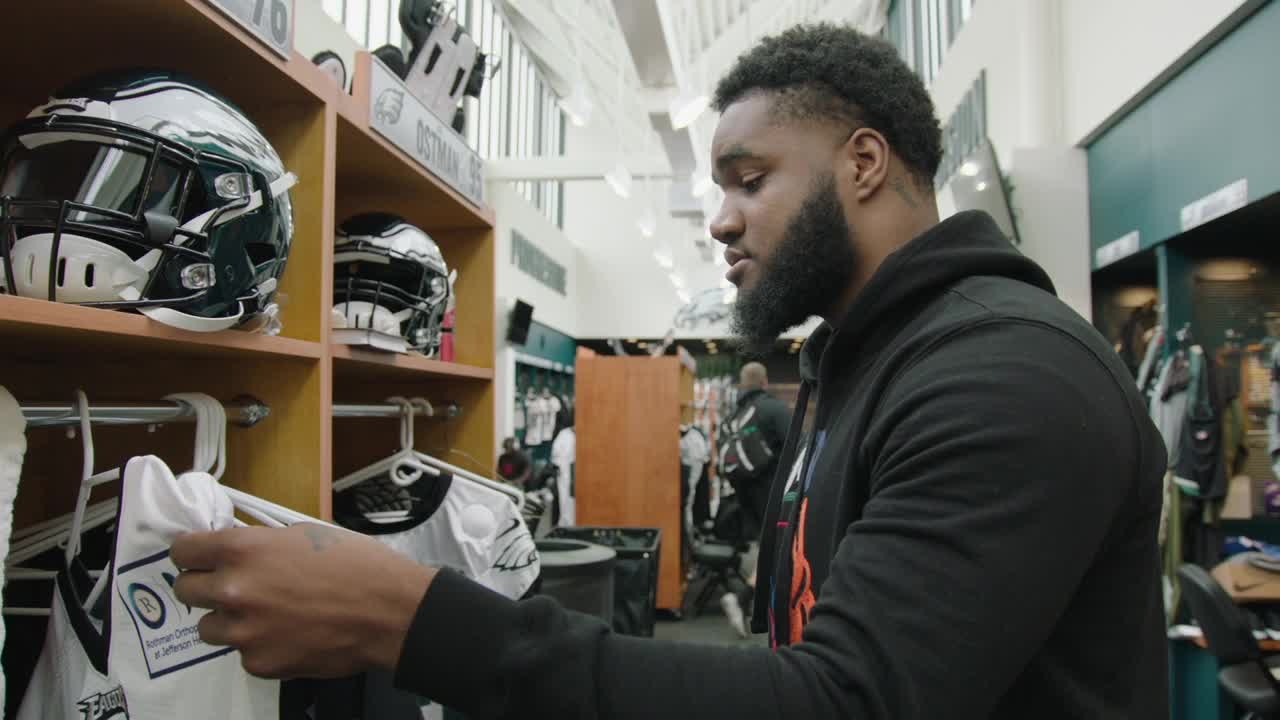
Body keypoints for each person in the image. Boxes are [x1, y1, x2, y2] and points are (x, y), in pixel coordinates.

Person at [170, 24, 1168, 718]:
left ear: (862, 163)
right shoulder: (855, 367)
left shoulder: (1005, 375)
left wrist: (405, 617)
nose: (722, 220)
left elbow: (848, 702)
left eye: (749, 179)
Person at [718, 361, 789, 636]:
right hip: (775, 492)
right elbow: (797, 446)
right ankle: (743, 597)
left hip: (746, 496)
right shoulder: (773, 409)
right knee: (779, 547)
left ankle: (753, 603)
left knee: (769, 546)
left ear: (742, 384)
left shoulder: (733, 415)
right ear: (765, 382)